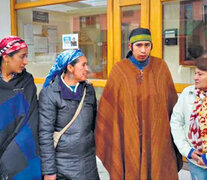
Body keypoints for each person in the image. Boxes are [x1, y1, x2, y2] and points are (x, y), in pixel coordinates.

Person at [95, 27, 182, 179]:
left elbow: (172, 106)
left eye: (147, 45)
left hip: (158, 138)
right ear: (130, 46)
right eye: (138, 45)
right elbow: (109, 110)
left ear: (151, 46)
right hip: (128, 137)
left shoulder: (161, 68)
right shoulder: (119, 71)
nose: (143, 50)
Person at [39, 49, 99, 180]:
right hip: (63, 167)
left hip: (88, 164)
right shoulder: (50, 94)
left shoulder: (88, 91)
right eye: (83, 65)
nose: (87, 69)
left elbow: (93, 125)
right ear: (70, 67)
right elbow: (45, 134)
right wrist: (49, 171)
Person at [0, 36, 41, 179]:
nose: (26, 62)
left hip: (21, 151)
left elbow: (31, 118)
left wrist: (12, 152)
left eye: (27, 56)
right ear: (6, 57)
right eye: (21, 56)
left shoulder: (27, 81)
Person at [170, 57, 207, 180]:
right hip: (195, 161)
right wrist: (188, 151)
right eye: (195, 73)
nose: (195, 77)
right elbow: (176, 123)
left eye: (200, 74)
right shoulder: (187, 93)